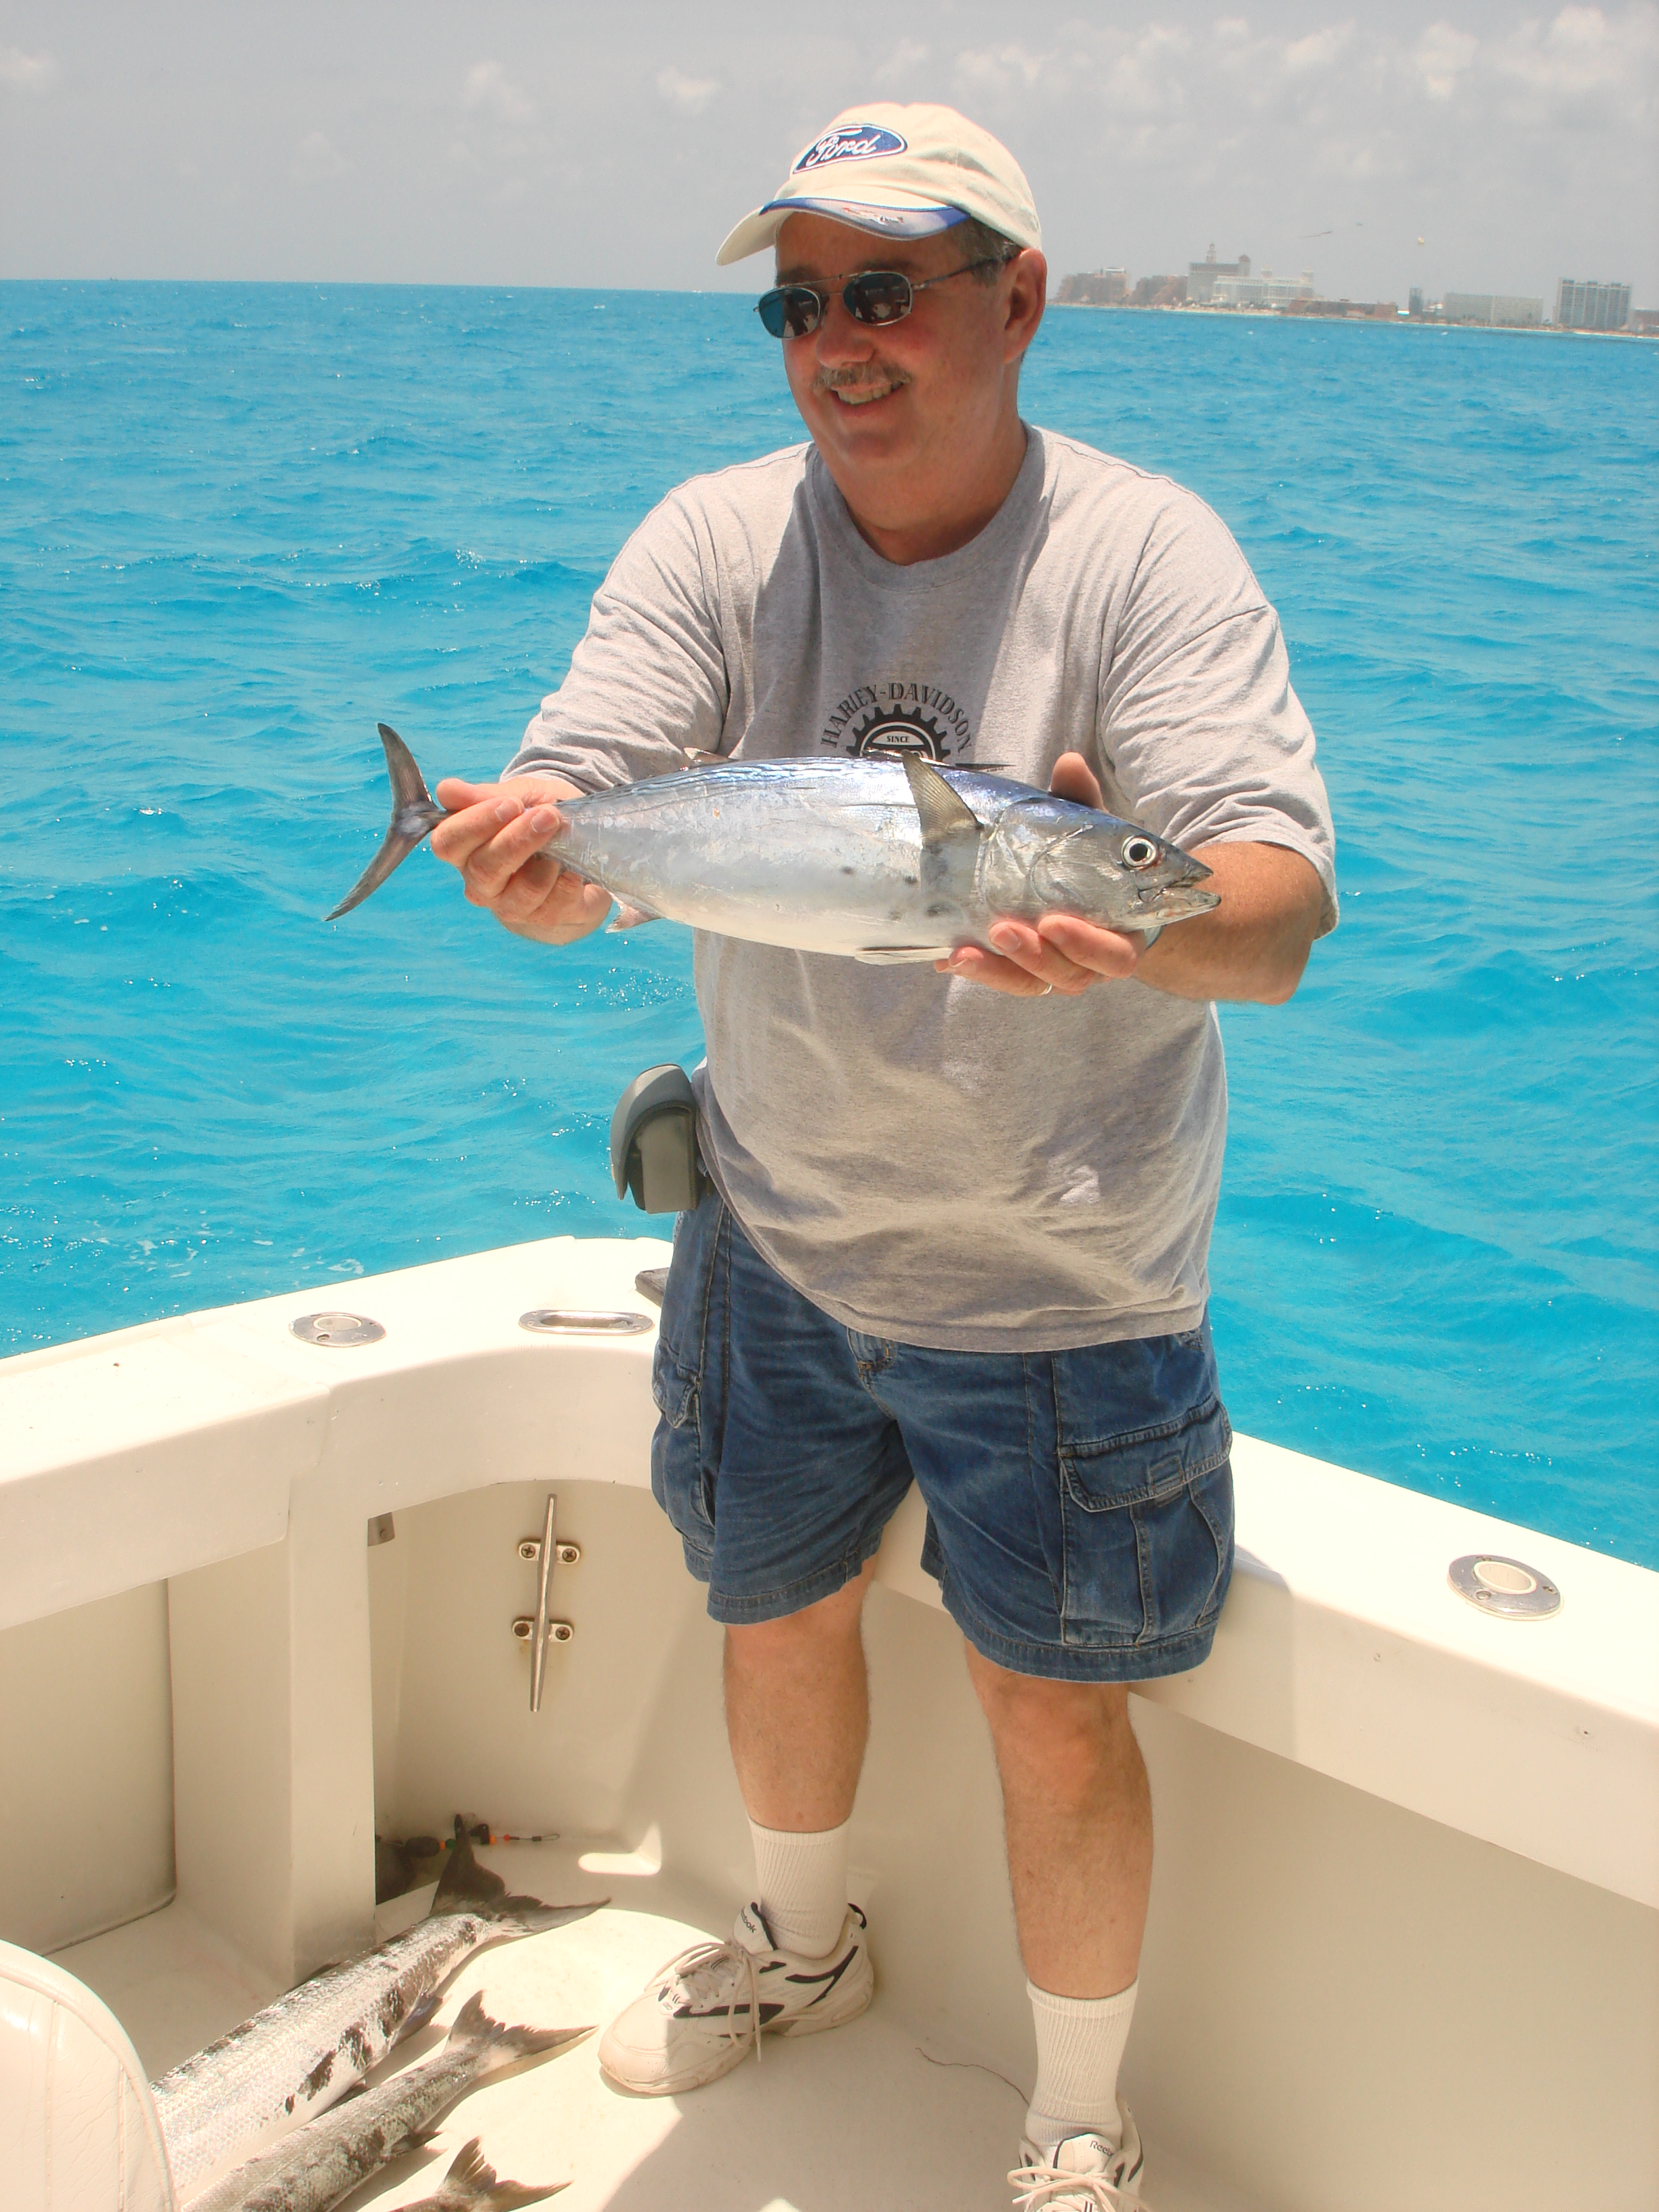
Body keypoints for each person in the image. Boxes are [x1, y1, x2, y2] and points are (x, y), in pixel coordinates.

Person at [431, 101, 1335, 2212]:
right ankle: (797, 1948)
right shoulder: (712, 541)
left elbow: (1279, 916)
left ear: (1021, 300)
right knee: (774, 1615)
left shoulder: (1147, 558)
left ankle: (1080, 2120)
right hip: (780, 1232)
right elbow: (591, 783)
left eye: (886, 291)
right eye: (799, 304)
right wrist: (539, 870)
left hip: (1067, 1280)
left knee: (1055, 1714)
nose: (838, 341)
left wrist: (1136, 915)